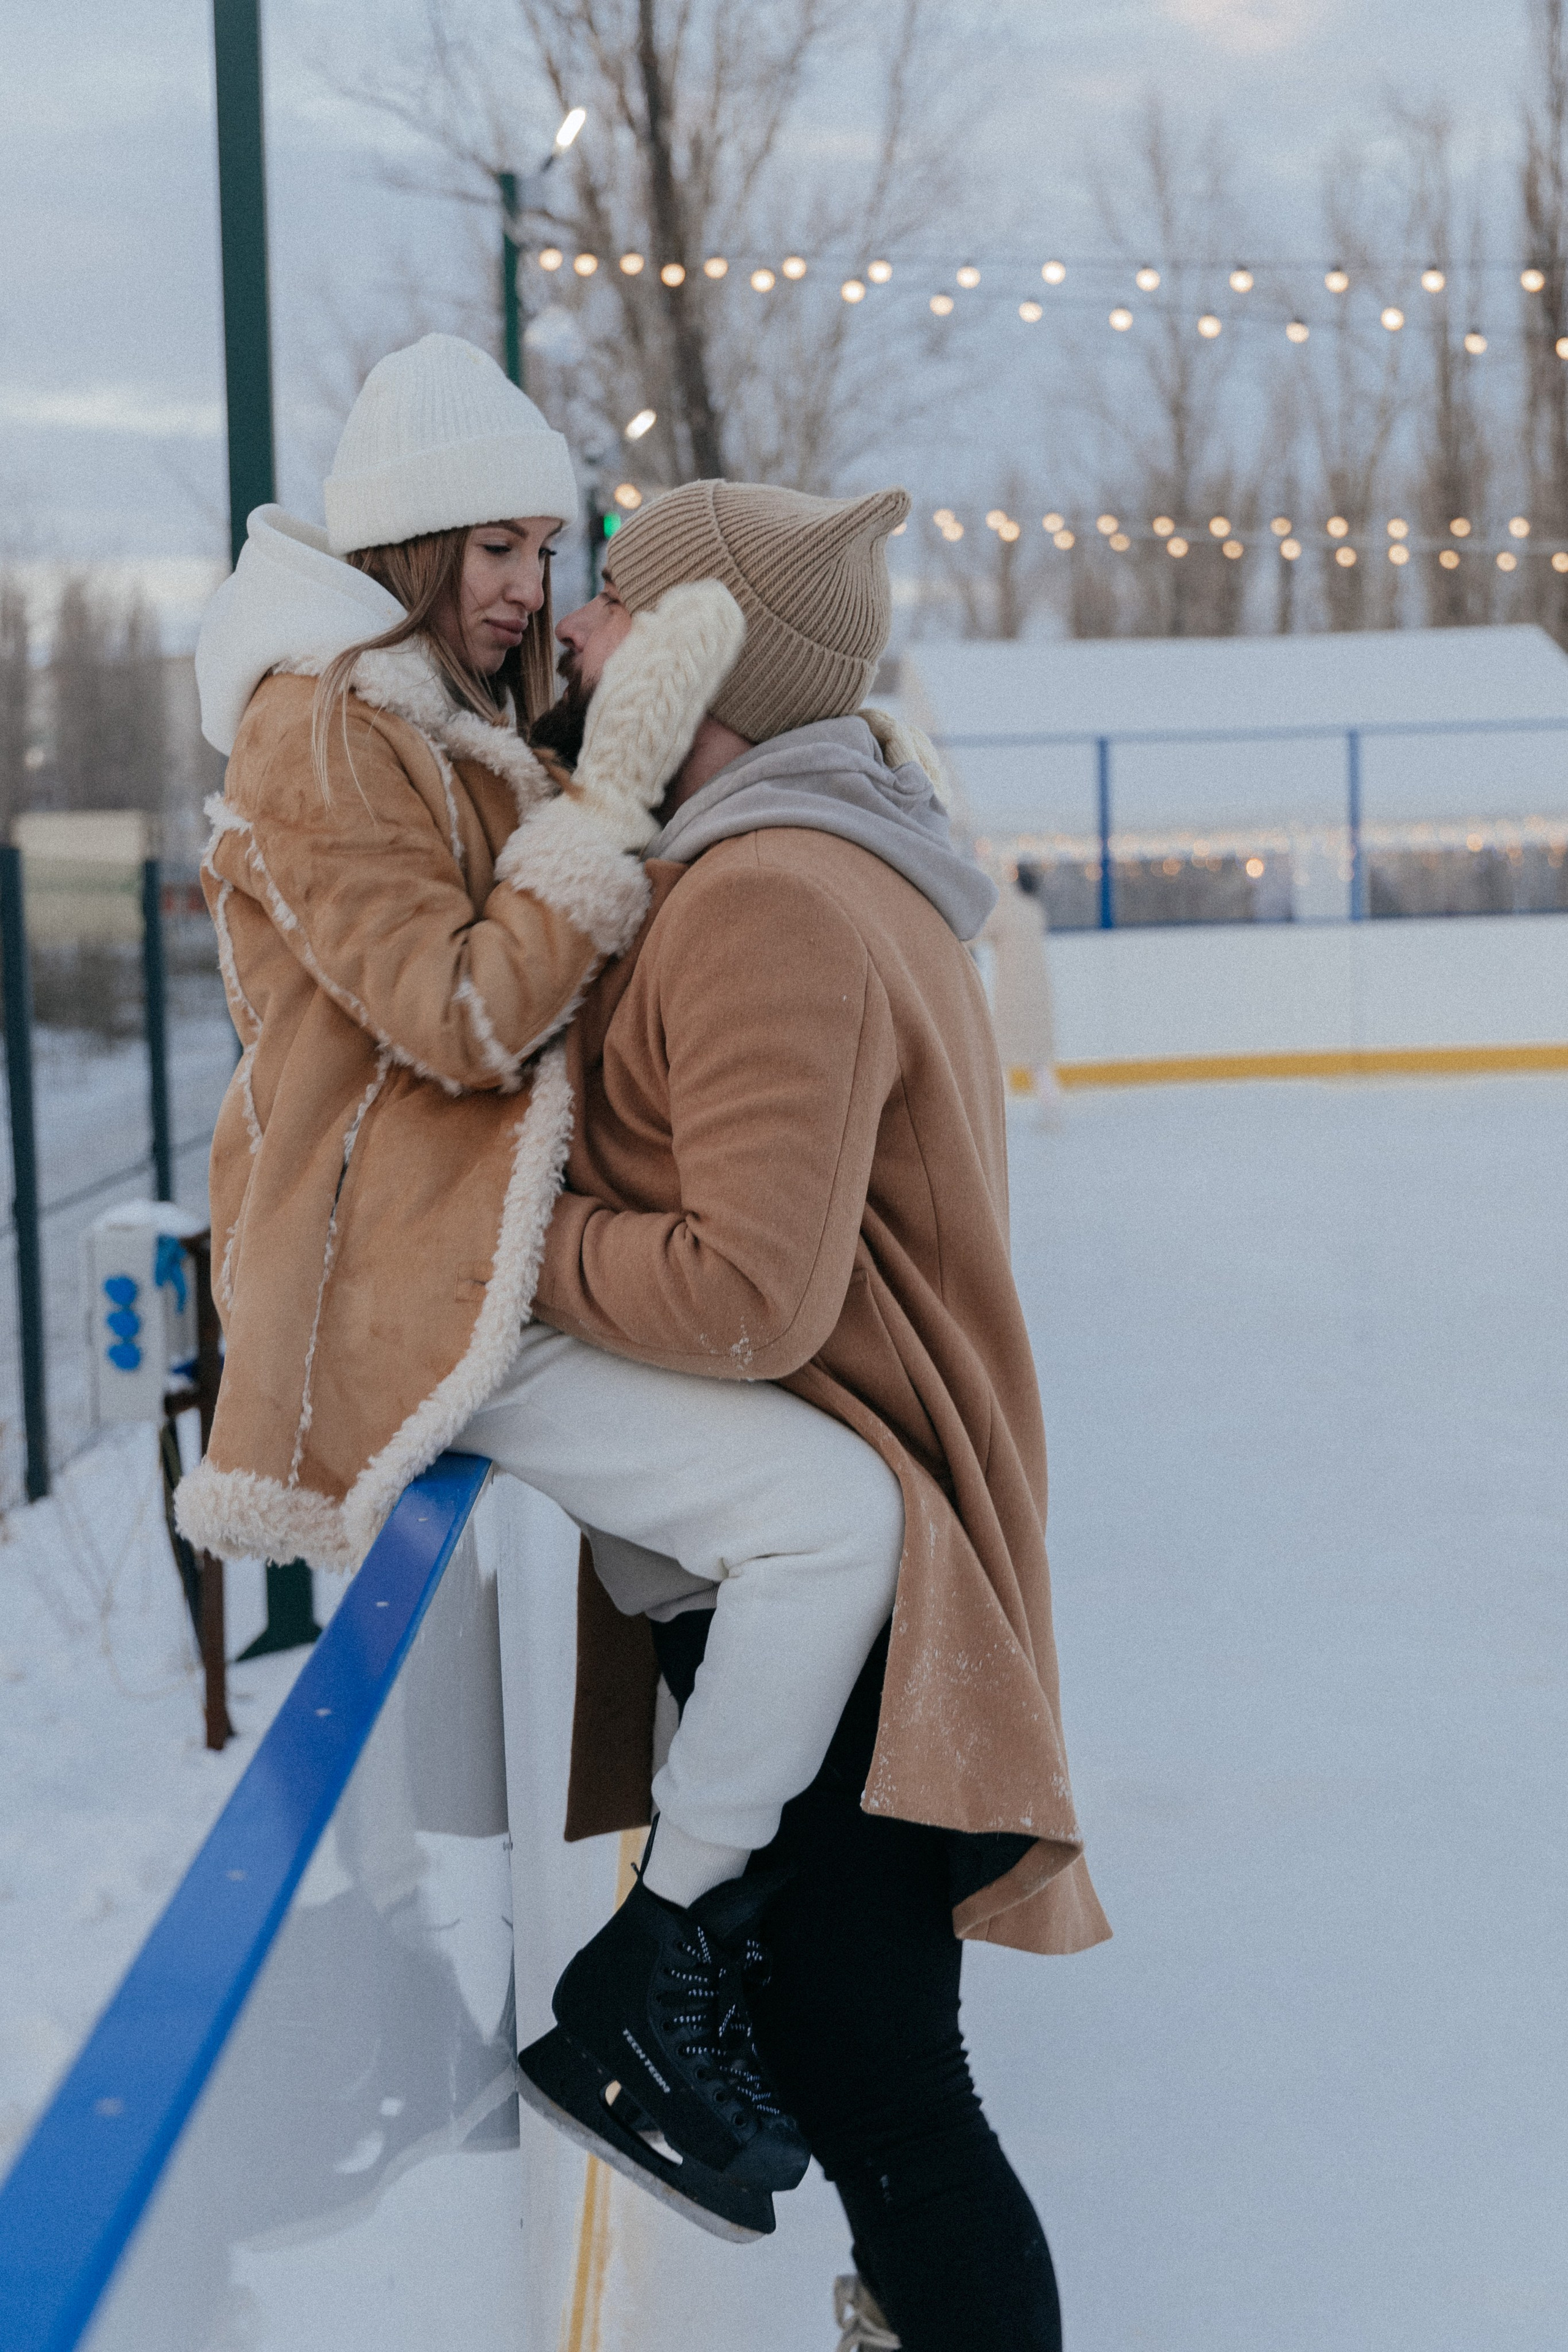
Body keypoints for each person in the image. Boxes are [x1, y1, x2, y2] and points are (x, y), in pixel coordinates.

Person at [178, 336, 922, 2228]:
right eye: (494, 546)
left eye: (547, 542)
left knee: (781, 1520)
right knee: (828, 1521)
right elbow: (457, 1017)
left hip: (477, 1251)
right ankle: (658, 1977)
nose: (527, 582)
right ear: (414, 546)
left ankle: (734, 1961)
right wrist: (612, 795)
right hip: (406, 1279)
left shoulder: (440, 717)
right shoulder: (323, 728)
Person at [519, 479, 1112, 2352]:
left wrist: (501, 1261)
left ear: (697, 655)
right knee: (872, 2081)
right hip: (877, 1548)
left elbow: (742, 1292)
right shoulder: (803, 853)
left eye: (612, 605)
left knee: (893, 2105)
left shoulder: (771, 893)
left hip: (868, 1588)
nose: (578, 634)